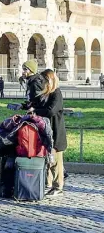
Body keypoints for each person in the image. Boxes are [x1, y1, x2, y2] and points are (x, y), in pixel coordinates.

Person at [32, 69, 67, 197]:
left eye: (44, 80)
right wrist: (28, 106)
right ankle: (49, 184)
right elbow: (38, 105)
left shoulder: (56, 93)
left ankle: (58, 186)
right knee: (49, 160)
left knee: (56, 160)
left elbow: (51, 111)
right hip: (46, 131)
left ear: (50, 80)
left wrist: (35, 111)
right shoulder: (46, 93)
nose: (42, 82)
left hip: (56, 131)